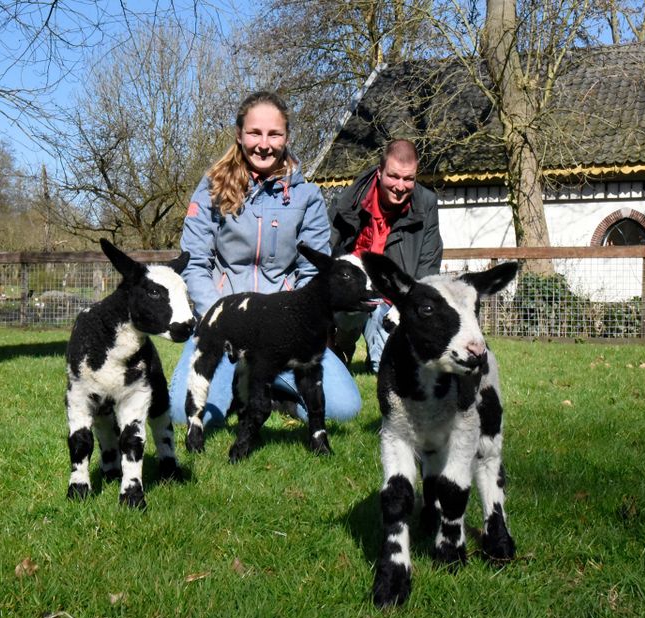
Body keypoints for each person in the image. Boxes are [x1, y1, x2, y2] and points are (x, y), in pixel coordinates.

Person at [169, 91, 361, 427]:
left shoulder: (308, 197)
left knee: (344, 409)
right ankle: (236, 391)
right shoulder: (210, 189)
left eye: (274, 134)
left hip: (285, 332)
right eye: (255, 133)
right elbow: (194, 263)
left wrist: (291, 323)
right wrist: (220, 319)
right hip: (224, 326)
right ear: (239, 135)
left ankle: (271, 392)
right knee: (181, 415)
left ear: (286, 137)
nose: (264, 143)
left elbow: (313, 274)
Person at [327, 139, 443, 372]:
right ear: (380, 172)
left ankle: (382, 353)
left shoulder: (427, 205)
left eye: (408, 179)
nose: (400, 186)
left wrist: (406, 305)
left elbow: (428, 267)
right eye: (394, 176)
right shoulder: (349, 201)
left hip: (393, 300)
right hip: (353, 293)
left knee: (386, 368)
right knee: (349, 313)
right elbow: (323, 249)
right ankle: (341, 345)